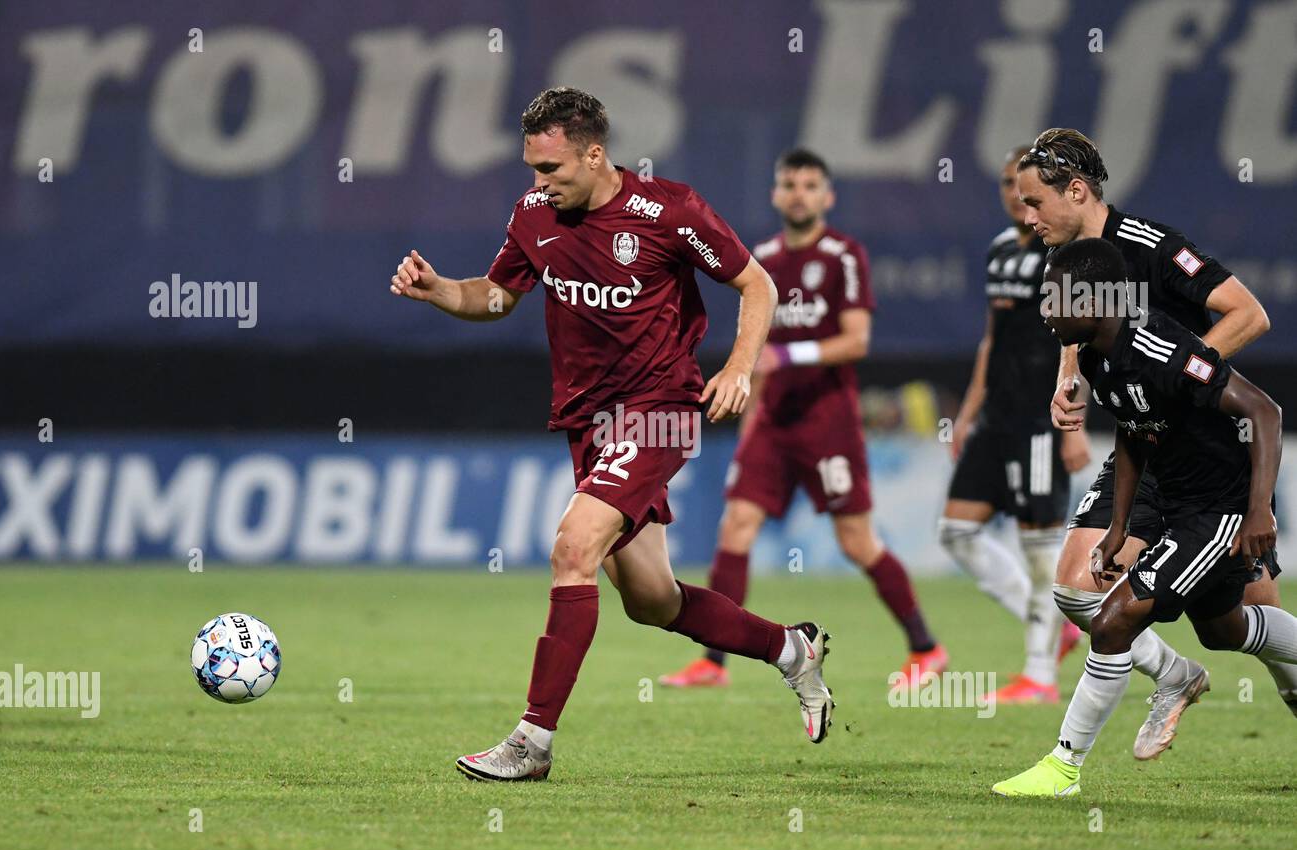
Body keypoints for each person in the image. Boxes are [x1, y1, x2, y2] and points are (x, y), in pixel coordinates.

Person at [389, 88, 834, 782]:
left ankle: (531, 742)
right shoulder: (534, 216)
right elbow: (499, 296)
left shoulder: (669, 211)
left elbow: (757, 285)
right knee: (652, 601)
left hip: (659, 409)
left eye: (553, 169)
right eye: (533, 169)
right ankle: (790, 651)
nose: (540, 185)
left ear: (595, 155)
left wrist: (740, 368)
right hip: (588, 424)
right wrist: (442, 290)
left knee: (573, 548)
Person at [1017, 128, 1295, 756]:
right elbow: (1087, 333)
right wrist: (1072, 379)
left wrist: (1172, 378)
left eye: (1035, 203)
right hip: (1144, 440)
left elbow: (1249, 314)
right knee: (1075, 584)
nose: (1026, 216)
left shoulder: (1151, 246)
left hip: (1212, 452)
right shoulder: (1071, 262)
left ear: (1078, 190)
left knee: (1240, 622)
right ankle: (1173, 676)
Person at [661, 148, 944, 690]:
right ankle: (712, 663)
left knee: (857, 542)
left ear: (827, 197)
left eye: (810, 185)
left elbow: (857, 339)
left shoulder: (843, 255)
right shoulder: (760, 258)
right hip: (770, 422)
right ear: (775, 194)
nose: (799, 193)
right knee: (736, 528)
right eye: (789, 184)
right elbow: (757, 344)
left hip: (828, 421)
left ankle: (926, 648)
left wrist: (790, 357)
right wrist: (749, 422)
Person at [939, 145, 1087, 705]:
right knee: (956, 531)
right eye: (1005, 184)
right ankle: (1059, 628)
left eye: (1021, 186)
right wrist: (969, 411)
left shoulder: (1067, 253)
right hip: (996, 418)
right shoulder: (1001, 250)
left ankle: (1040, 675)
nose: (1013, 196)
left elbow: (1079, 337)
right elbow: (991, 339)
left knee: (1041, 552)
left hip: (1039, 421)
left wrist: (1072, 425)